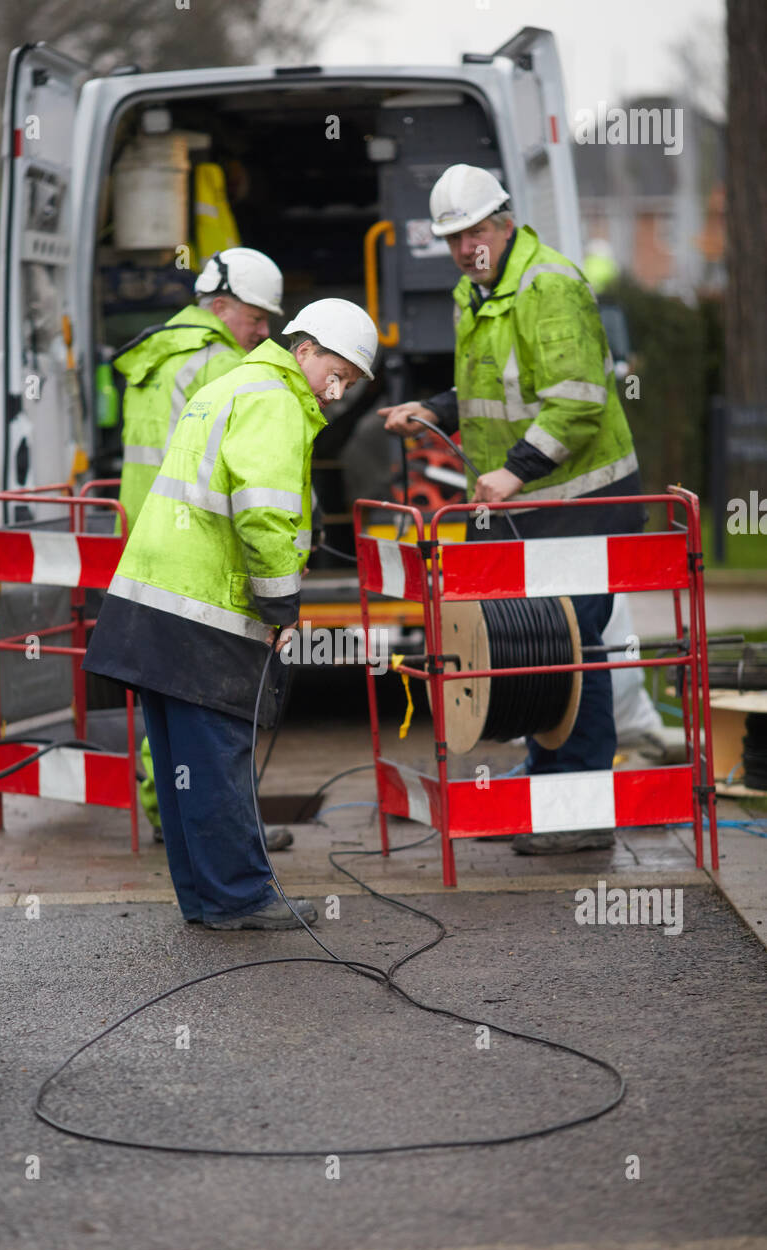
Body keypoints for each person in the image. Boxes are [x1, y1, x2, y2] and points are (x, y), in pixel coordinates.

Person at [84, 299, 378, 927]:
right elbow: (262, 511)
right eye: (337, 372)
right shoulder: (274, 398)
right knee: (217, 755)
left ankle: (207, 897)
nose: (336, 390)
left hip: (156, 597)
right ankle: (239, 896)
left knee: (180, 761)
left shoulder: (234, 383)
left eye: (349, 384)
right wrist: (282, 605)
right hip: (204, 605)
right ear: (305, 350)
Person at [379, 164, 645, 855]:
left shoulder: (547, 285)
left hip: (581, 505)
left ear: (503, 222)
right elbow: (486, 389)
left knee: (572, 654)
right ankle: (553, 783)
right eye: (453, 238)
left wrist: (513, 470)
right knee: (539, 652)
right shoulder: (480, 292)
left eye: (474, 233)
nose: (466, 248)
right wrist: (432, 410)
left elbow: (579, 400)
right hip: (532, 508)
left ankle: (580, 810)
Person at [112, 246, 290, 848]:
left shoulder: (155, 357)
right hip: (197, 551)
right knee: (209, 698)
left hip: (146, 539)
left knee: (165, 690)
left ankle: (170, 811)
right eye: (257, 317)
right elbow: (248, 478)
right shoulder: (218, 365)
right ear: (218, 306)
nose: (265, 331)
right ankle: (217, 829)